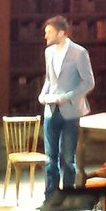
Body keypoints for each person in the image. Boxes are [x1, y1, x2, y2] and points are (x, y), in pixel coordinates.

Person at [38, 15, 95, 201]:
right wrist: (42, 95)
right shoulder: (49, 52)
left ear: (61, 33)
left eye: (49, 32)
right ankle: (51, 196)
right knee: (50, 158)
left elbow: (89, 82)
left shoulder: (79, 53)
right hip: (51, 110)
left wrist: (68, 97)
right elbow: (49, 79)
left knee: (69, 158)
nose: (45, 36)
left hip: (71, 111)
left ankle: (68, 197)